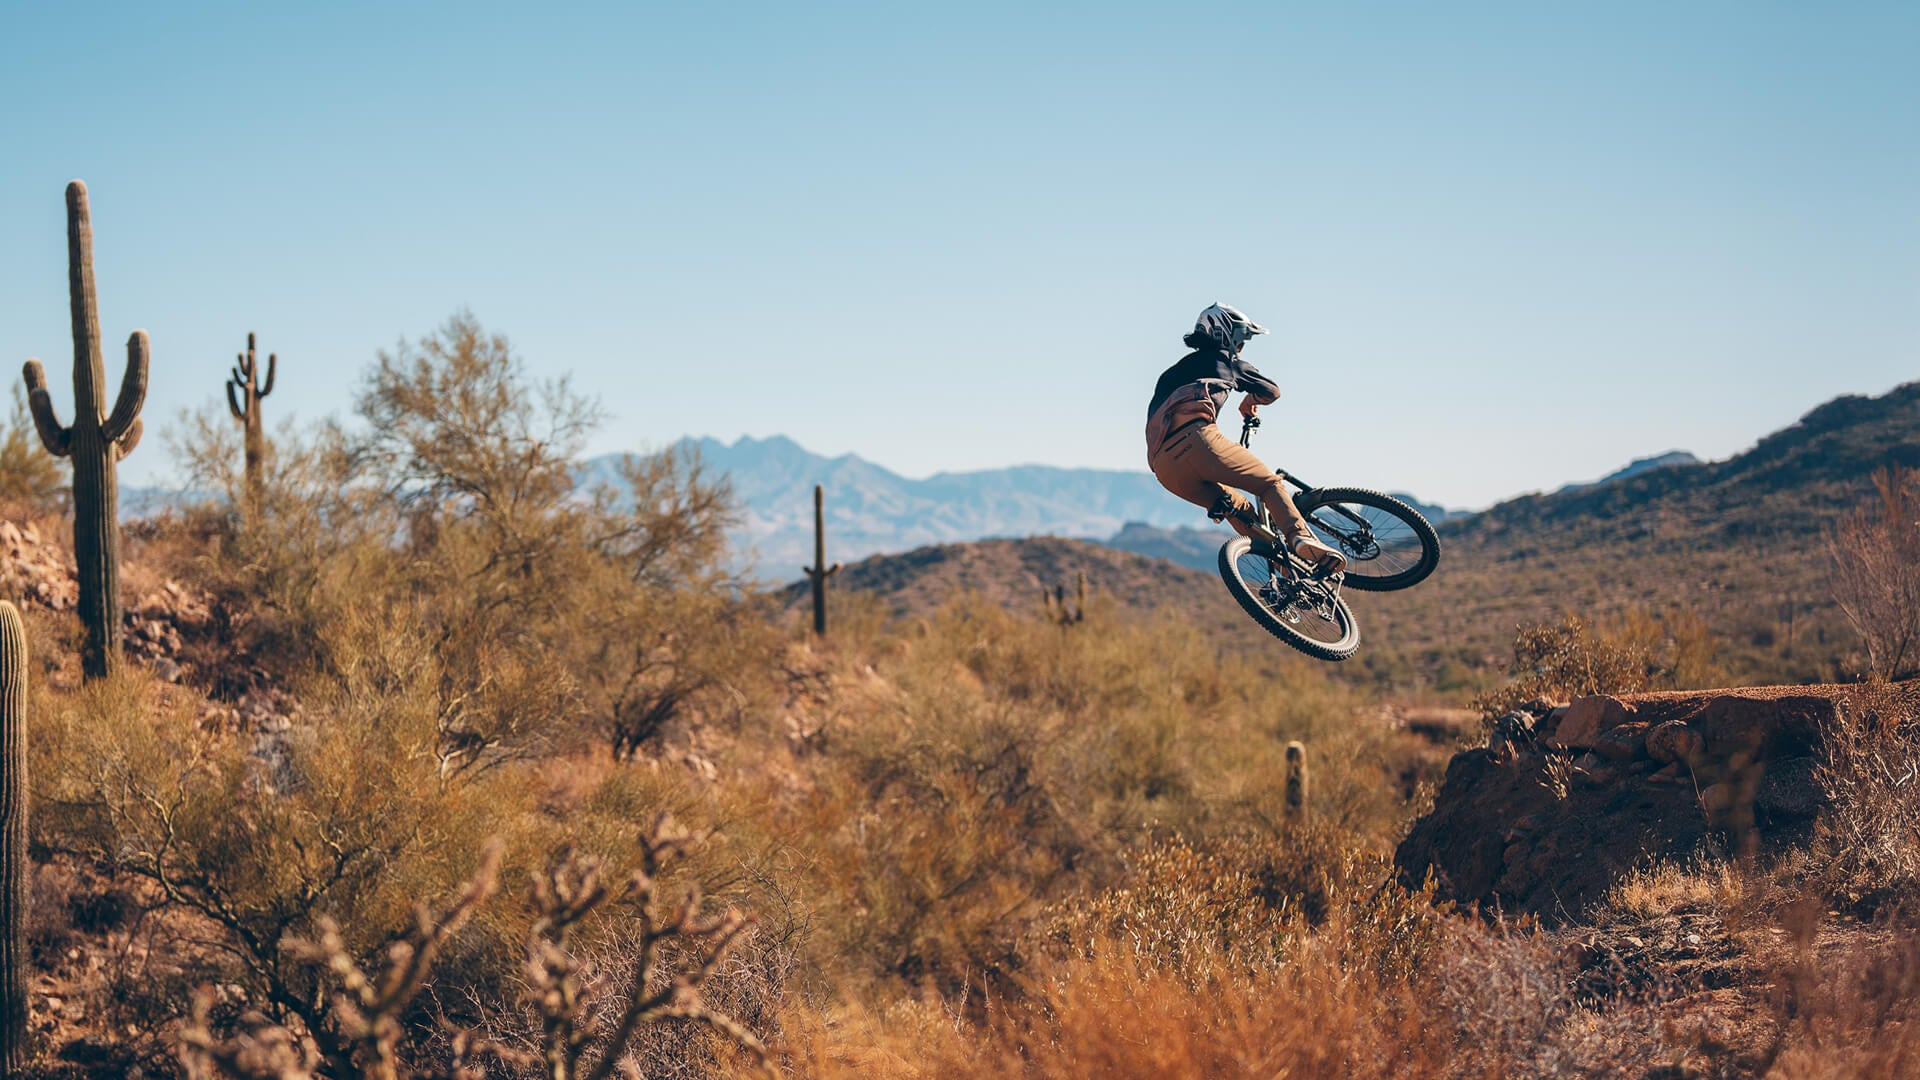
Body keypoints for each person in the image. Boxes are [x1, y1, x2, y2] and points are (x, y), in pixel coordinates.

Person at [1145, 303, 1347, 572]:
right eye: (1240, 341)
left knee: (1236, 508)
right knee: (1269, 485)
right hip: (1199, 440)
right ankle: (1300, 537)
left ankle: (1289, 573)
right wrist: (1250, 401)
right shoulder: (1227, 362)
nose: (1240, 348)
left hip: (1165, 468)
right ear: (1226, 336)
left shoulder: (1169, 375)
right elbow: (1272, 391)